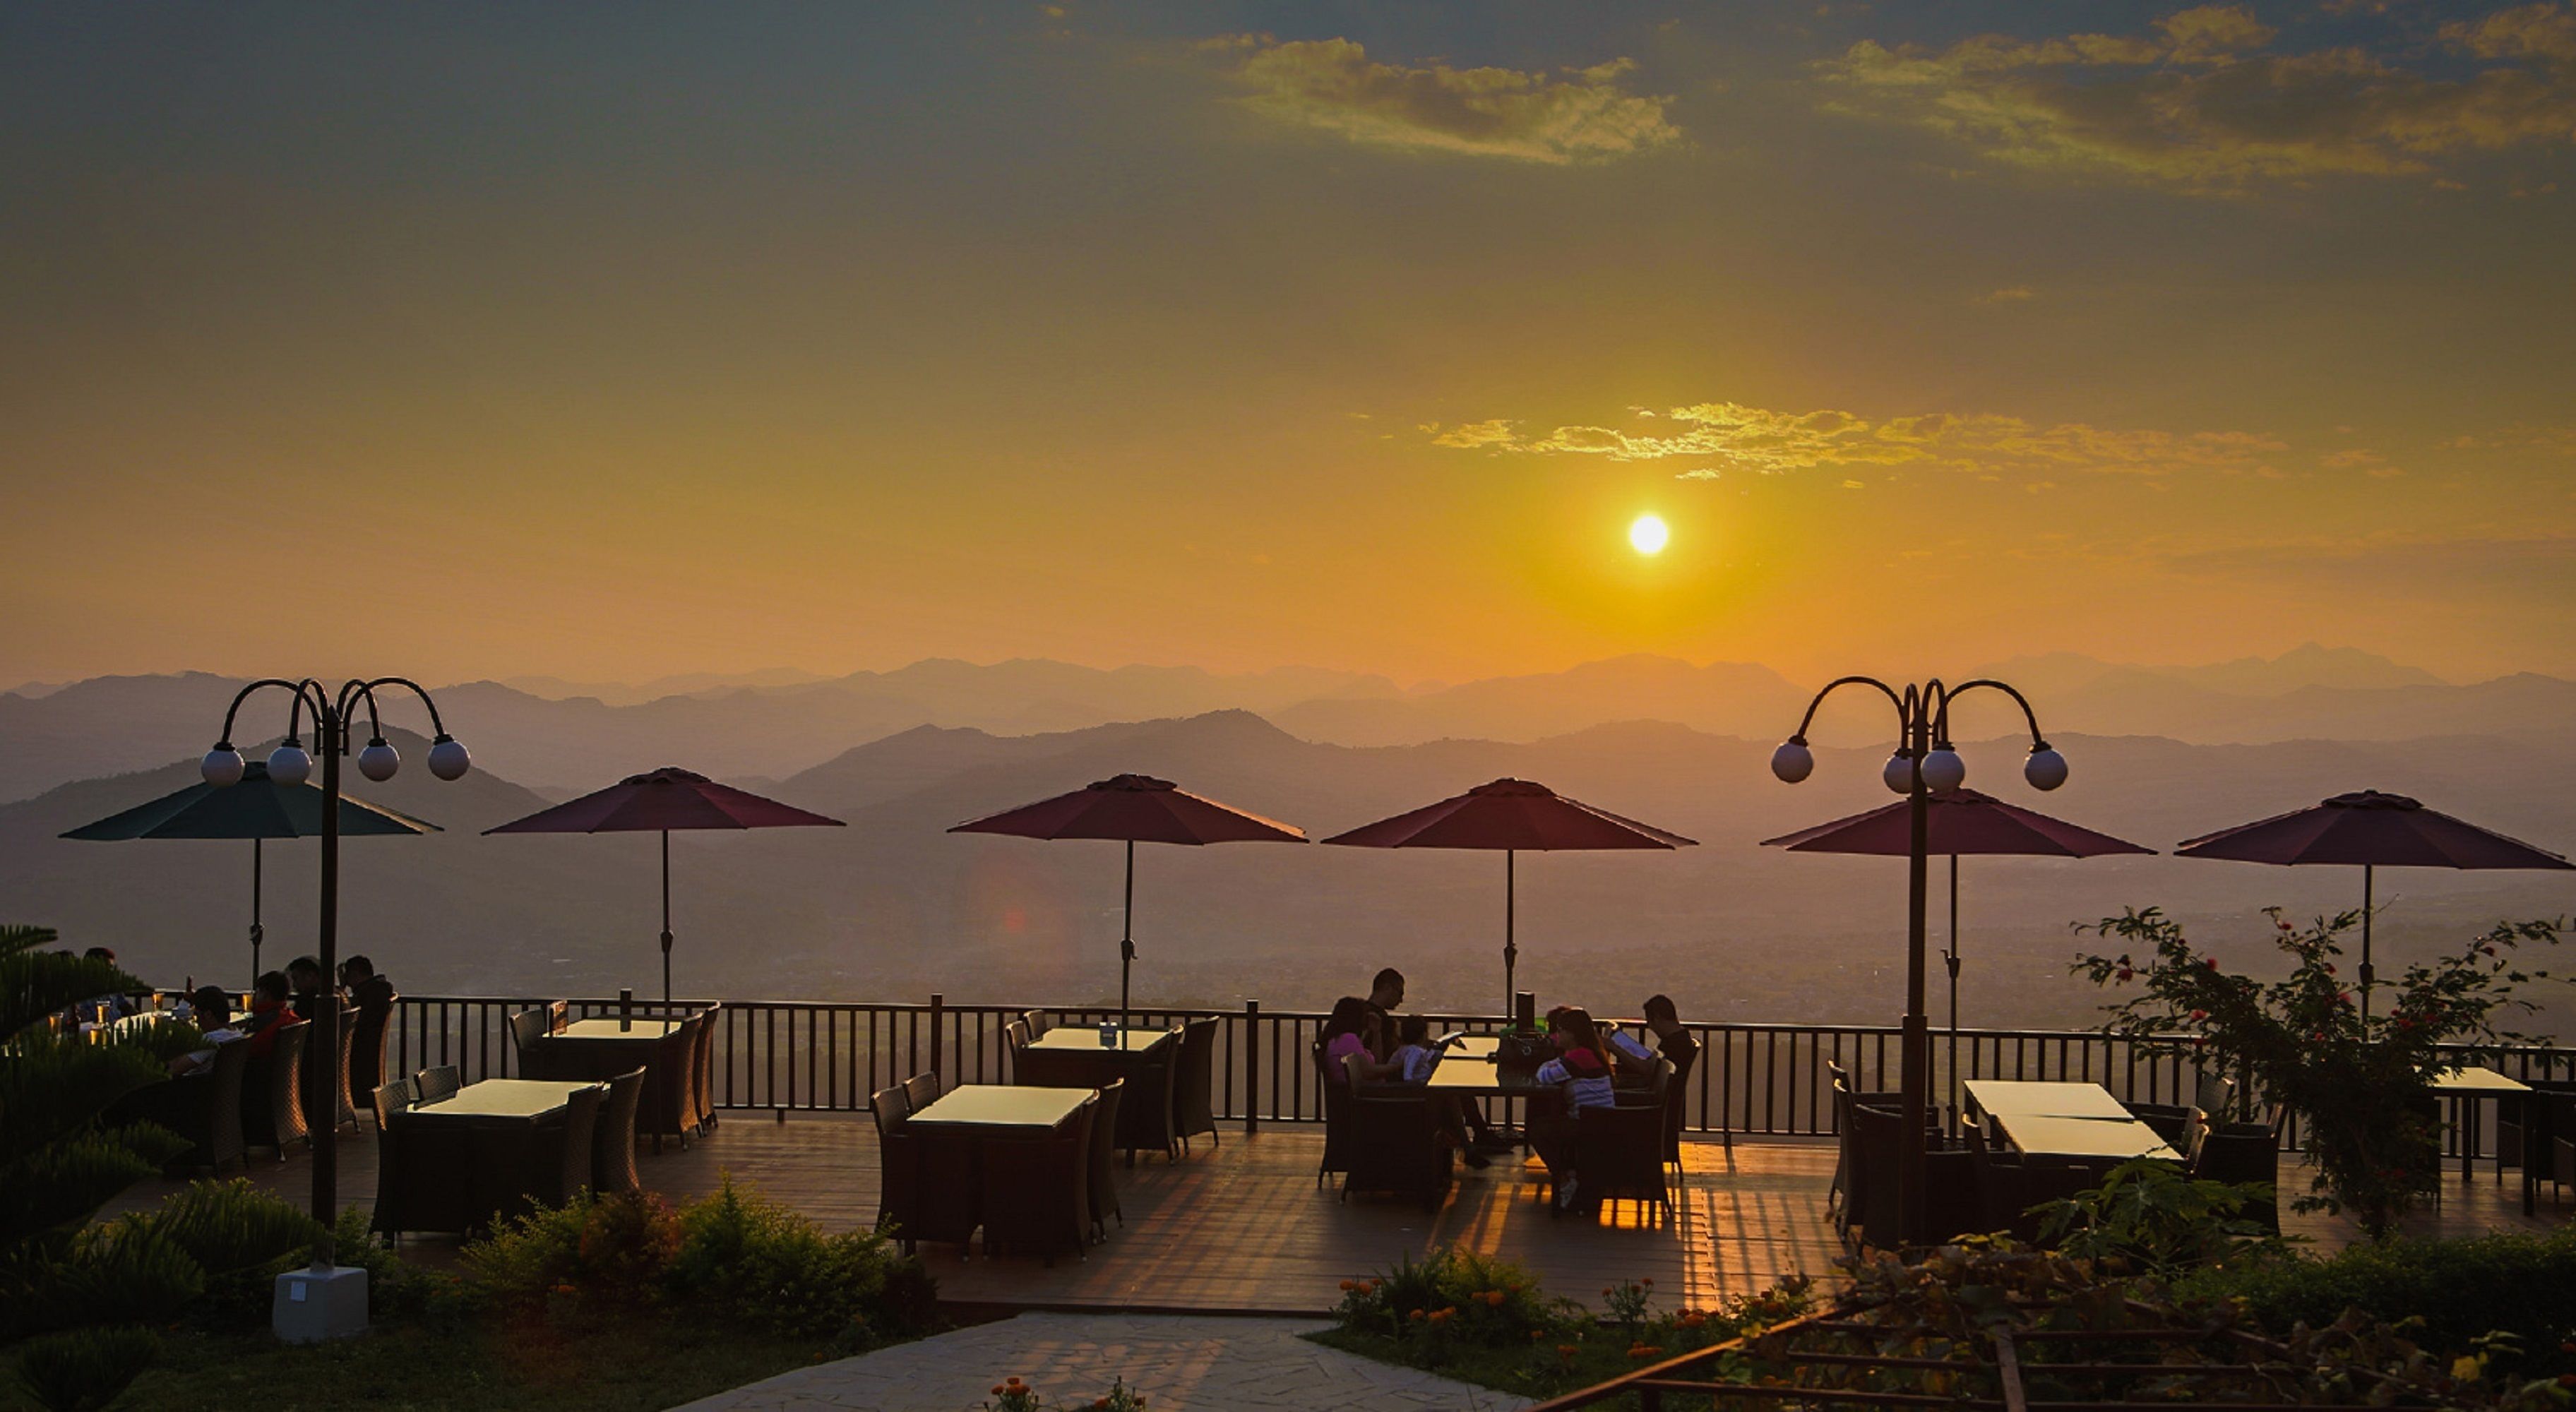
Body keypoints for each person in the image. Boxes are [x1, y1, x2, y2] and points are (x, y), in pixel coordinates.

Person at [1531, 1006, 1621, 1211]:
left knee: (1538, 1131)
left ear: (1572, 1034)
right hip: (1600, 1120)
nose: (1557, 1034)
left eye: (1561, 1030)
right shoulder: (1588, 1054)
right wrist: (1552, 1064)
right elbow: (1555, 1065)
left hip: (1590, 1124)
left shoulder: (1579, 1058)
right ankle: (1570, 1172)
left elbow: (1544, 1076)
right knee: (1549, 1124)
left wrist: (1545, 1066)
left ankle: (1564, 1180)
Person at [1386, 1015, 1491, 1168]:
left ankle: (1467, 1145)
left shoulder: (1403, 1051)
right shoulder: (1414, 1052)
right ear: (1423, 1035)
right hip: (1417, 1098)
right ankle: (1467, 1145)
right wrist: (1425, 1084)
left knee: (1451, 1094)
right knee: (1451, 1095)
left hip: (1405, 1097)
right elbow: (1408, 1076)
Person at [1321, 996, 1398, 1085]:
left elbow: (1376, 1062)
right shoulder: (1348, 1039)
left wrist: (1376, 1032)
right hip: (1362, 1095)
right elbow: (1368, 1072)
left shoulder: (1344, 1039)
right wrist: (1397, 1066)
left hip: (1364, 1092)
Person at [242, 971, 300, 1058]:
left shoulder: (264, 1021)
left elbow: (246, 1048)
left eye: (257, 992)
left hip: (258, 1067)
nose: (255, 996)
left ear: (265, 994)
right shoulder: (290, 1017)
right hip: (278, 1067)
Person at [340, 954, 396, 1019]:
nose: (348, 983)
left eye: (347, 977)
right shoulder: (378, 989)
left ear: (355, 975)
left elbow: (345, 1012)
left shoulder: (369, 994)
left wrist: (341, 989)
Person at [286, 955, 328, 1020]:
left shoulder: (306, 1003)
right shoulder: (338, 995)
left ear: (310, 976)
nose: (294, 985)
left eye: (296, 979)